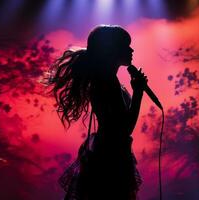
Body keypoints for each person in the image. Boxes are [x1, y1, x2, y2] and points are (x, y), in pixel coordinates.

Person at [46, 25, 147, 200]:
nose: (131, 49)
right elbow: (124, 128)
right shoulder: (107, 82)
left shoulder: (108, 80)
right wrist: (138, 92)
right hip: (110, 160)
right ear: (112, 50)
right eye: (125, 45)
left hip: (109, 154)